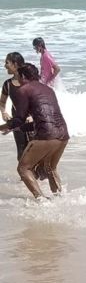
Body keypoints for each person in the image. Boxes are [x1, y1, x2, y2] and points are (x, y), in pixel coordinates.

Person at [0, 63, 69, 199]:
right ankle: (60, 198)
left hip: (46, 135)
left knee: (23, 168)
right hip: (63, 134)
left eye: (18, 76)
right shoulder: (48, 89)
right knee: (50, 168)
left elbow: (19, 119)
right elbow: (44, 119)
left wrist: (3, 127)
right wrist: (17, 128)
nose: (18, 80)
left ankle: (41, 200)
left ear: (23, 76)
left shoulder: (24, 89)